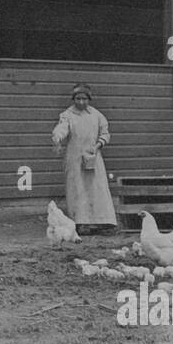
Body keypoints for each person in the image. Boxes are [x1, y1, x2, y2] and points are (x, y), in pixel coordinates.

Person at [52, 84, 118, 234]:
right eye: (78, 99)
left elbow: (105, 133)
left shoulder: (97, 115)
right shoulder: (67, 115)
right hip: (74, 158)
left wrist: (97, 145)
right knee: (77, 189)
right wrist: (57, 136)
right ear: (73, 99)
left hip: (93, 157)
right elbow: (62, 127)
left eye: (84, 99)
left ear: (89, 99)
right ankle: (80, 223)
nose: (81, 102)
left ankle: (103, 222)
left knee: (97, 188)